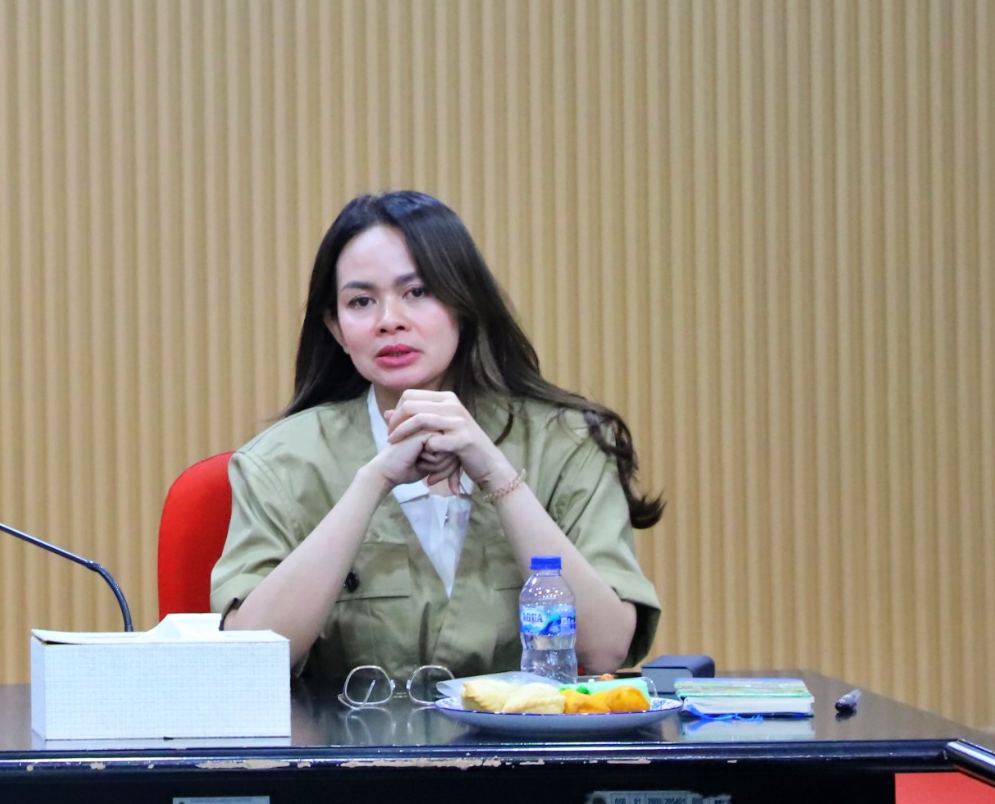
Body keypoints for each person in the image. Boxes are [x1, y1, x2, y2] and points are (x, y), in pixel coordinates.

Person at [216, 192, 663, 690]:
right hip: (352, 739)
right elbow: (249, 659)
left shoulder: (568, 442)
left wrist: (496, 474)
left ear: (463, 304)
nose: (389, 320)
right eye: (361, 302)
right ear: (336, 328)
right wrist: (373, 482)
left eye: (418, 292)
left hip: (522, 737)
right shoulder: (279, 461)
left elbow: (604, 649)